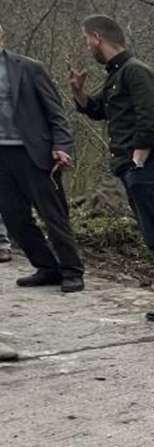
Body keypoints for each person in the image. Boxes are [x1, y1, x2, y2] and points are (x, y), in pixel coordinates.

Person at [70, 15, 154, 335]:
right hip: (135, 170)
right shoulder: (117, 76)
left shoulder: (136, 72)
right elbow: (98, 110)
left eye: (87, 40)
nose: (87, 47)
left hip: (150, 169)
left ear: (98, 37)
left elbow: (149, 118)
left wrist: (139, 159)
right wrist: (79, 92)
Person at [0, 22, 84, 291]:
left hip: (34, 152)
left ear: (2, 37)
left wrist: (62, 145)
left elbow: (55, 112)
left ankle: (72, 270)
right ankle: (47, 267)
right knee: (13, 217)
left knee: (53, 215)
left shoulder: (28, 68)